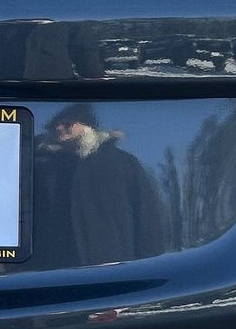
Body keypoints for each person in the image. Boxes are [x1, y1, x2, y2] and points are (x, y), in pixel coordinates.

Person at [35, 103, 167, 264]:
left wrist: (150, 265)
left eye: (67, 124)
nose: (59, 128)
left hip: (115, 266)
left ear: (86, 126)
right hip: (57, 267)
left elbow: (146, 217)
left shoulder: (122, 163)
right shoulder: (45, 167)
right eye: (55, 125)